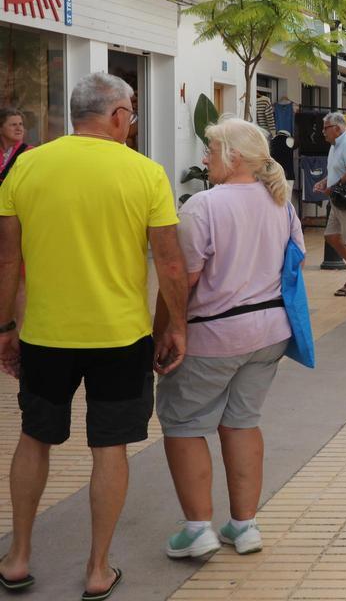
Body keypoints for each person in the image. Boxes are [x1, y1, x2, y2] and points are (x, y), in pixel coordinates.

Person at [0, 73, 189, 599]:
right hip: (120, 337)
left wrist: (4, 329)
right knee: (110, 447)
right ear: (117, 116)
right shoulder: (145, 174)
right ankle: (97, 569)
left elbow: (8, 260)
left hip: (45, 334)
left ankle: (17, 558)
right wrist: (176, 326)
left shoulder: (25, 166)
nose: (130, 122)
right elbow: (171, 265)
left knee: (34, 438)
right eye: (130, 112)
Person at [155, 117, 303, 561]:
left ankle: (198, 528)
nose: (203, 159)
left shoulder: (204, 205)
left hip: (214, 336)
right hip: (269, 333)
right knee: (241, 421)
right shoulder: (281, 202)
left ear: (233, 156)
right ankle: (244, 525)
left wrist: (163, 330)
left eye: (210, 150)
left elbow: (183, 280)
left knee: (184, 424)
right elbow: (292, 265)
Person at [313, 112, 346, 297]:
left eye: (325, 128)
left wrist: (334, 187)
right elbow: (336, 169)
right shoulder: (334, 146)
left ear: (337, 128)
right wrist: (325, 181)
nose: (322, 132)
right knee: (331, 236)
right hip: (336, 199)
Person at [0, 108, 29, 185]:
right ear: (1, 129)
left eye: (21, 124)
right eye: (13, 125)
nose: (19, 129)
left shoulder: (30, 152)